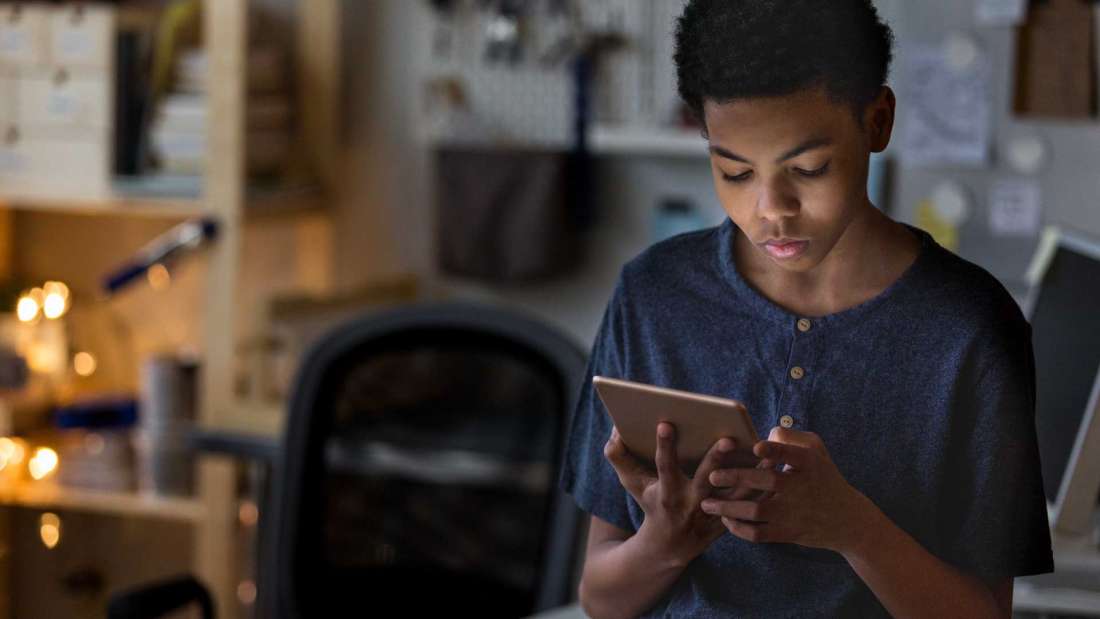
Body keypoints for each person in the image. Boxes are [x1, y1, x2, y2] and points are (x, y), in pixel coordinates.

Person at [559, 1, 1054, 617]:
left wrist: (853, 529)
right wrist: (664, 543)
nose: (772, 208)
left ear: (876, 121)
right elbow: (600, 600)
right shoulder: (654, 294)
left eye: (808, 168)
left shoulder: (970, 329)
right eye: (735, 172)